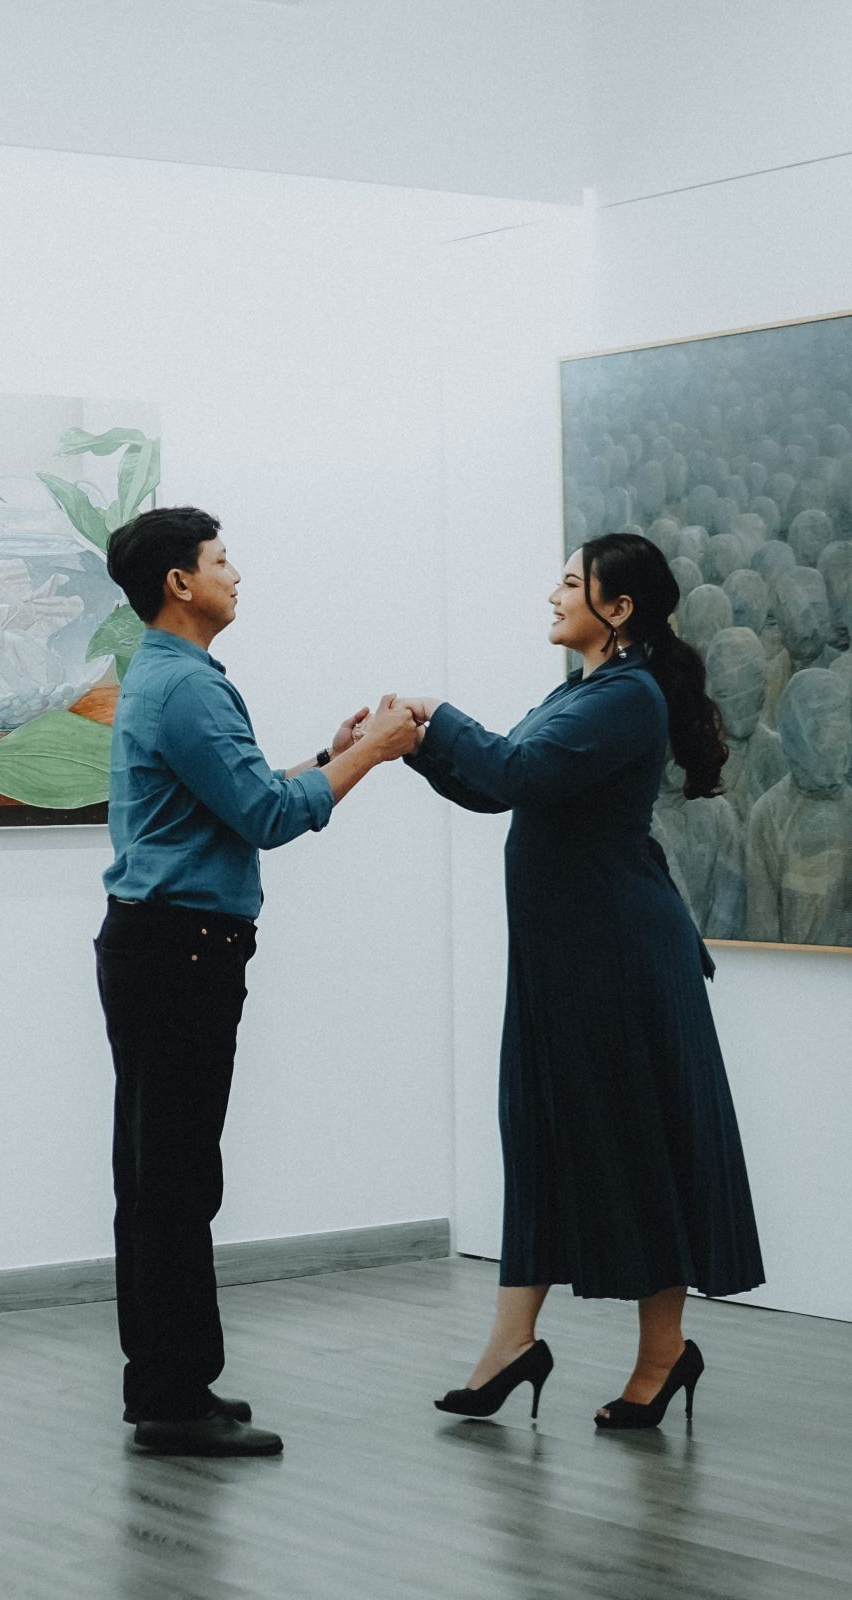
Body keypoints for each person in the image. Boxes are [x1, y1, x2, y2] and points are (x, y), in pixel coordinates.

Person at [388, 530, 764, 1430]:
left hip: (619, 965)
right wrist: (413, 744)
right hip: (567, 963)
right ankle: (511, 1346)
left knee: (640, 1145)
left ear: (618, 608)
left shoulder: (627, 698)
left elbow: (514, 769)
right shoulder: (582, 691)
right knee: (541, 1137)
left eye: (570, 583)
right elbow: (495, 787)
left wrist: (437, 711)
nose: (553, 597)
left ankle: (662, 1356)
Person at [97, 505, 421, 1458]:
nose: (235, 574)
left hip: (156, 946)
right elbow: (269, 817)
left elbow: (238, 796)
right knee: (174, 1183)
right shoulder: (187, 686)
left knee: (158, 1177)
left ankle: (171, 1383)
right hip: (180, 952)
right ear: (179, 584)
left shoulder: (167, 676)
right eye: (221, 559)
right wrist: (372, 754)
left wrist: (330, 754)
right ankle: (172, 1398)